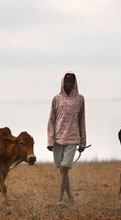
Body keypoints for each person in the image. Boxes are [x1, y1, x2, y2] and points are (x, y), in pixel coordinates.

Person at [47, 72, 86, 205]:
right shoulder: (56, 99)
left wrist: (83, 142)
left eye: (71, 82)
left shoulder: (80, 99)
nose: (69, 84)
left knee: (65, 167)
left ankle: (60, 200)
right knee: (61, 169)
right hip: (58, 139)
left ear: (74, 83)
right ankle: (70, 197)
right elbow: (51, 120)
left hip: (73, 138)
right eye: (67, 82)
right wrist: (50, 141)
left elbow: (82, 121)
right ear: (63, 83)